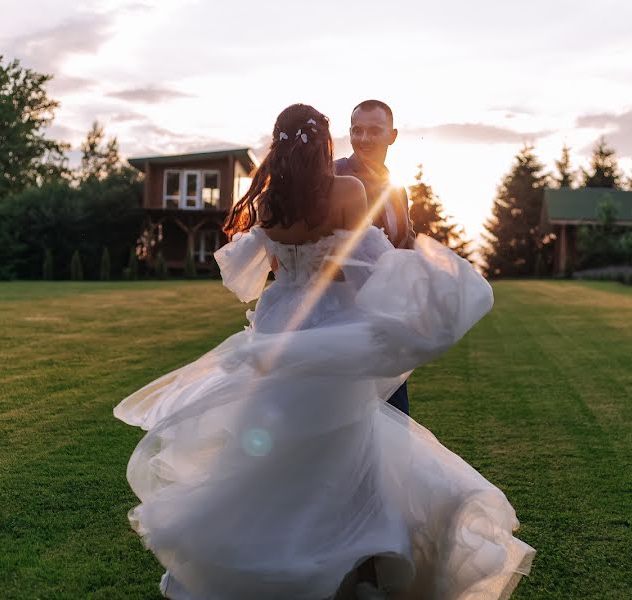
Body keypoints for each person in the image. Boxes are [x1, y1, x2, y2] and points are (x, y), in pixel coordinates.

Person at [114, 103, 534, 600]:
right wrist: (425, 278)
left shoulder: (270, 202)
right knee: (349, 451)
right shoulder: (346, 191)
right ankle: (356, 569)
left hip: (276, 331)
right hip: (332, 330)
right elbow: (372, 265)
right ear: (324, 143)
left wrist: (303, 264)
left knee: (276, 448)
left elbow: (254, 277)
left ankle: (286, 557)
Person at [335, 99, 414, 415]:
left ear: (392, 136)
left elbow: (403, 246)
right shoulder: (335, 175)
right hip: (343, 325)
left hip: (386, 328)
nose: (364, 138)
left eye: (374, 131)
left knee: (395, 423)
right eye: (357, 130)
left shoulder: (397, 188)